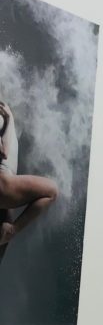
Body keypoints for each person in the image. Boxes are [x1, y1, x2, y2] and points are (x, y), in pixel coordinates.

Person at [0, 101, 59, 251]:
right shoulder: (5, 118)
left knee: (2, 245)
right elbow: (4, 151)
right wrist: (9, 118)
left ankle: (9, 232)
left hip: (5, 186)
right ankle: (13, 230)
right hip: (4, 184)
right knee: (52, 191)